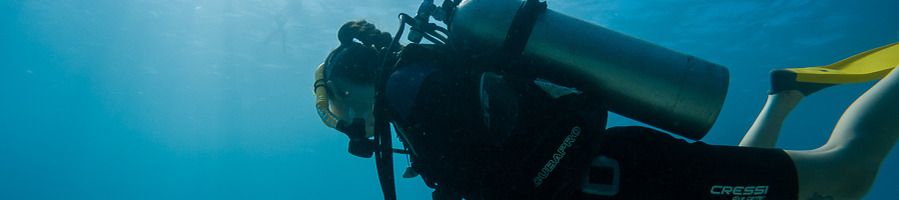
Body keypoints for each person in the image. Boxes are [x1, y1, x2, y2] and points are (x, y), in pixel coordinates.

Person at [314, 19, 898, 200]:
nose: (341, 122)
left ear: (346, 85)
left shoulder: (409, 93)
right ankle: (784, 93)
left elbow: (506, 175)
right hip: (625, 180)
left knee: (844, 175)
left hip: (633, 182)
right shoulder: (418, 91)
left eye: (330, 105)